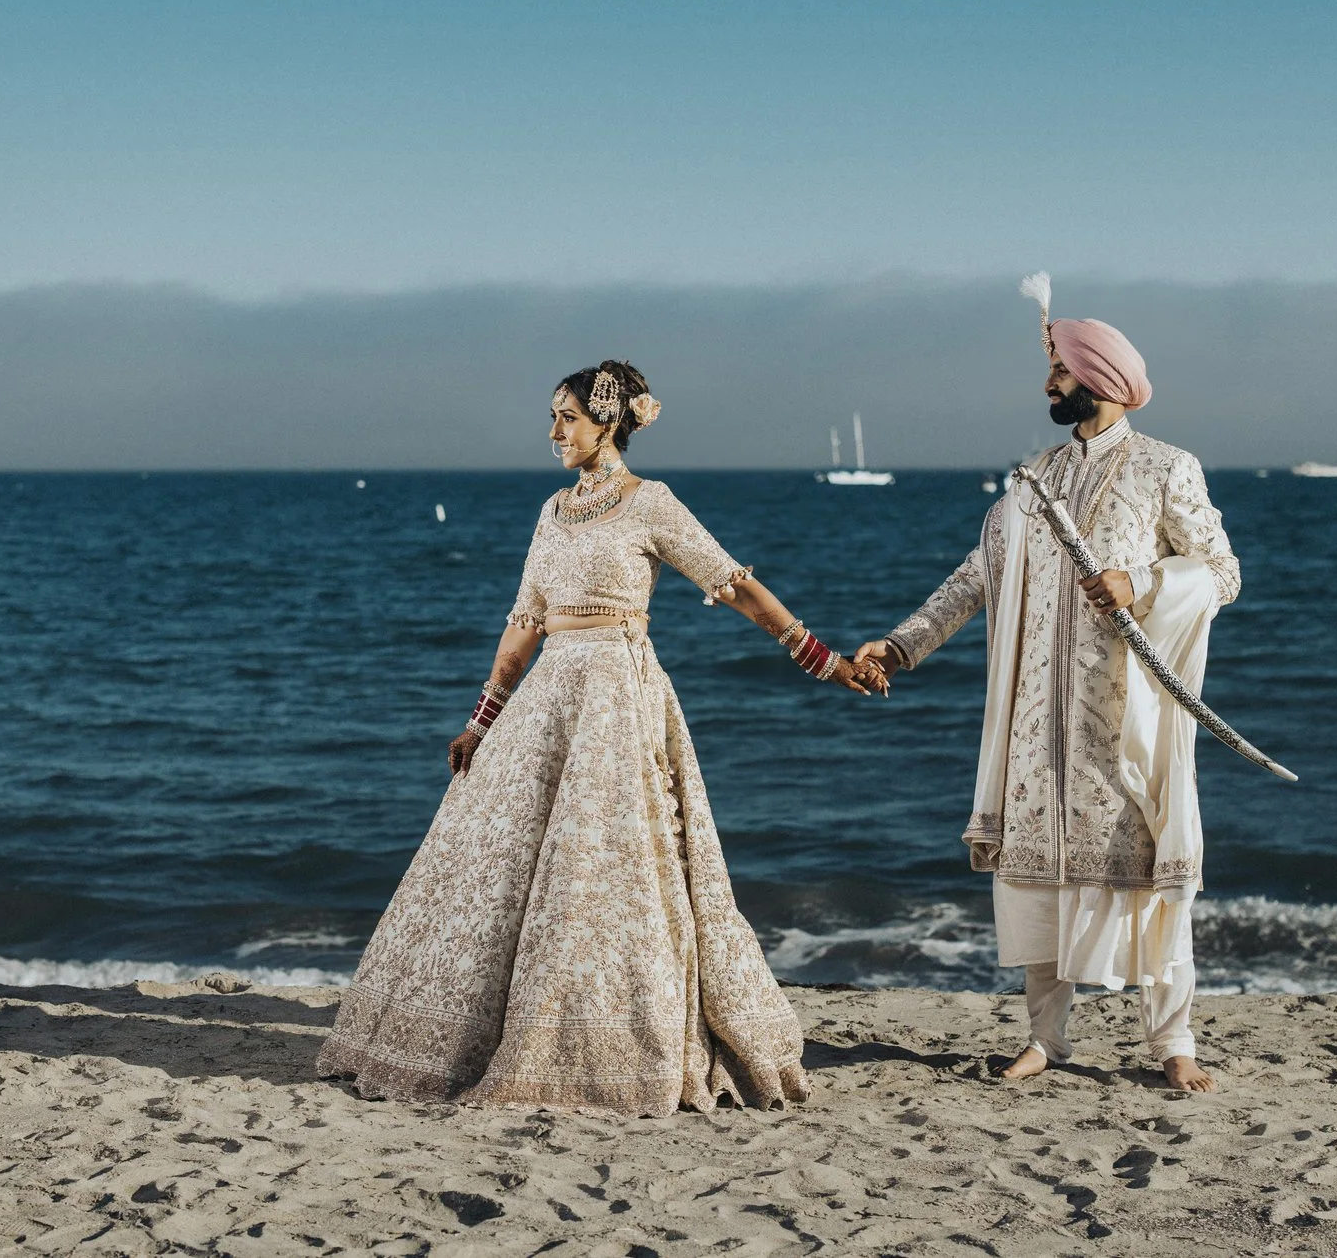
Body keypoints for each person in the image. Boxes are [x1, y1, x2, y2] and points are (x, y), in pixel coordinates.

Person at [318, 359, 882, 1116]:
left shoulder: (652, 504)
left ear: (609, 421)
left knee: (606, 874)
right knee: (495, 865)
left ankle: (613, 1035)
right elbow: (525, 620)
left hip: (618, 696)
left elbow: (735, 583)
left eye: (568, 417)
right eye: (552, 417)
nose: (554, 432)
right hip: (549, 697)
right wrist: (482, 718)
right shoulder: (552, 513)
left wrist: (820, 658)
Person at [854, 285, 1238, 1093]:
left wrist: (1140, 581)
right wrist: (899, 645)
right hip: (1036, 727)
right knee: (1037, 886)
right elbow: (974, 581)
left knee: (1154, 875)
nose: (1047, 386)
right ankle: (1045, 1038)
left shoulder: (1168, 468)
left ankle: (1174, 1041)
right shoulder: (1032, 483)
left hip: (1123, 723)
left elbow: (1223, 572)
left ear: (1094, 376)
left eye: (1057, 371)